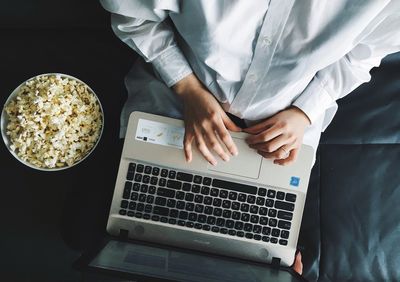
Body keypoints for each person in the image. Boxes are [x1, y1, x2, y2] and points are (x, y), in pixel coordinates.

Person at [100, 0, 400, 274]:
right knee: (139, 237)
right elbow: (133, 16)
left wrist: (305, 111)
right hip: (178, 95)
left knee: (257, 262)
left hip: (286, 124)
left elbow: (361, 55)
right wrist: (187, 88)